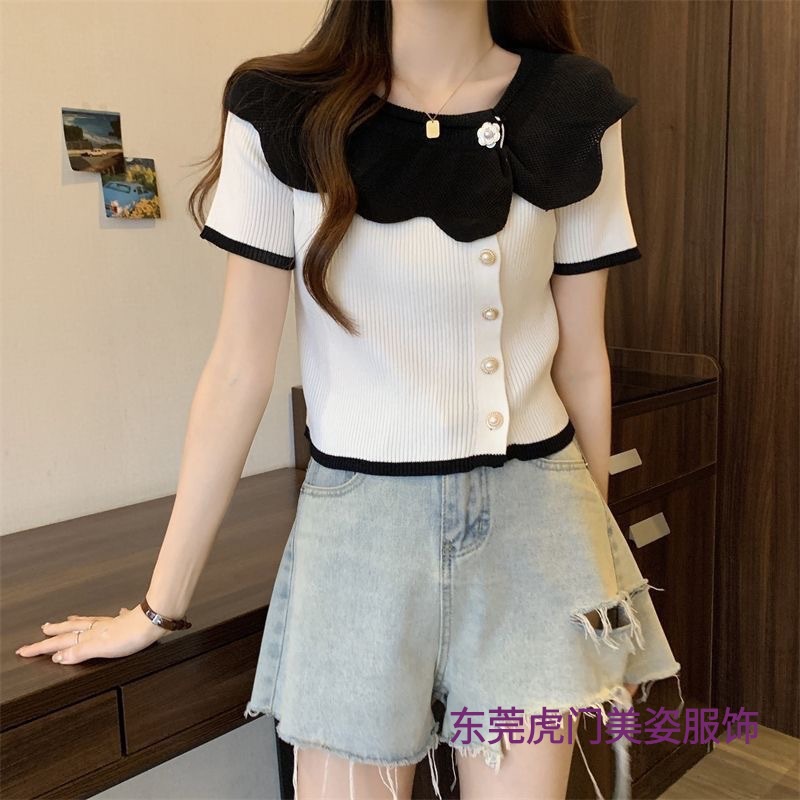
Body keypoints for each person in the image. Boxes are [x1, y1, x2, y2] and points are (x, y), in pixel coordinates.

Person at [15, 1, 684, 798]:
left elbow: (583, 361)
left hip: (537, 526)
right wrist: (157, 609)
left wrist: (590, 572)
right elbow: (237, 370)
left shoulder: (572, 107)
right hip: (361, 535)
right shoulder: (281, 112)